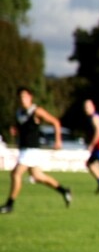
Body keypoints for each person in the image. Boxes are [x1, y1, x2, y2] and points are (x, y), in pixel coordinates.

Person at [2, 86, 73, 214]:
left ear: (30, 97)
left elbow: (55, 122)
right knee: (38, 176)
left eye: (24, 96)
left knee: (16, 174)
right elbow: (22, 128)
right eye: (20, 97)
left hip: (31, 149)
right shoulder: (19, 113)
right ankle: (64, 191)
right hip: (24, 149)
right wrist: (15, 130)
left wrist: (58, 140)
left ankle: (9, 205)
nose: (22, 99)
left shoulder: (36, 111)